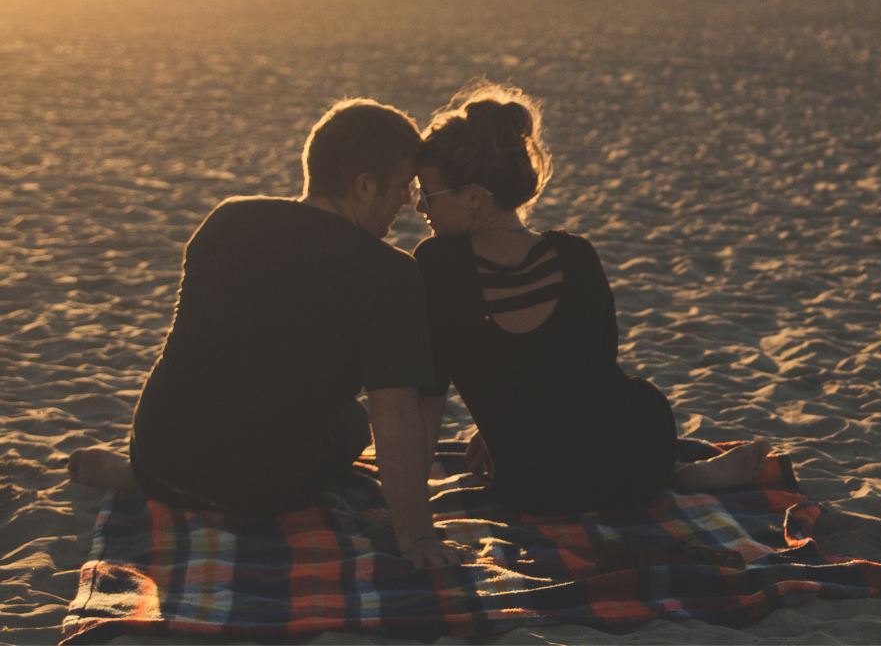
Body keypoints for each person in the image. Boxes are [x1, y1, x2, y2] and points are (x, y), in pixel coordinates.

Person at [68, 98, 459, 569]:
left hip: (155, 455)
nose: (408, 203)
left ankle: (134, 477)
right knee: (356, 423)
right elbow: (393, 415)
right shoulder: (390, 274)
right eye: (401, 187)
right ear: (363, 186)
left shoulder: (227, 219)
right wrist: (415, 538)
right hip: (256, 490)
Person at [411, 82, 770, 517]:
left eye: (427, 194)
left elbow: (428, 400)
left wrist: (411, 508)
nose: (418, 208)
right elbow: (586, 373)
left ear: (472, 196)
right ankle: (677, 478)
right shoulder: (575, 254)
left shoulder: (436, 265)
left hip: (532, 488)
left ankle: (680, 479)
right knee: (629, 405)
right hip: (635, 465)